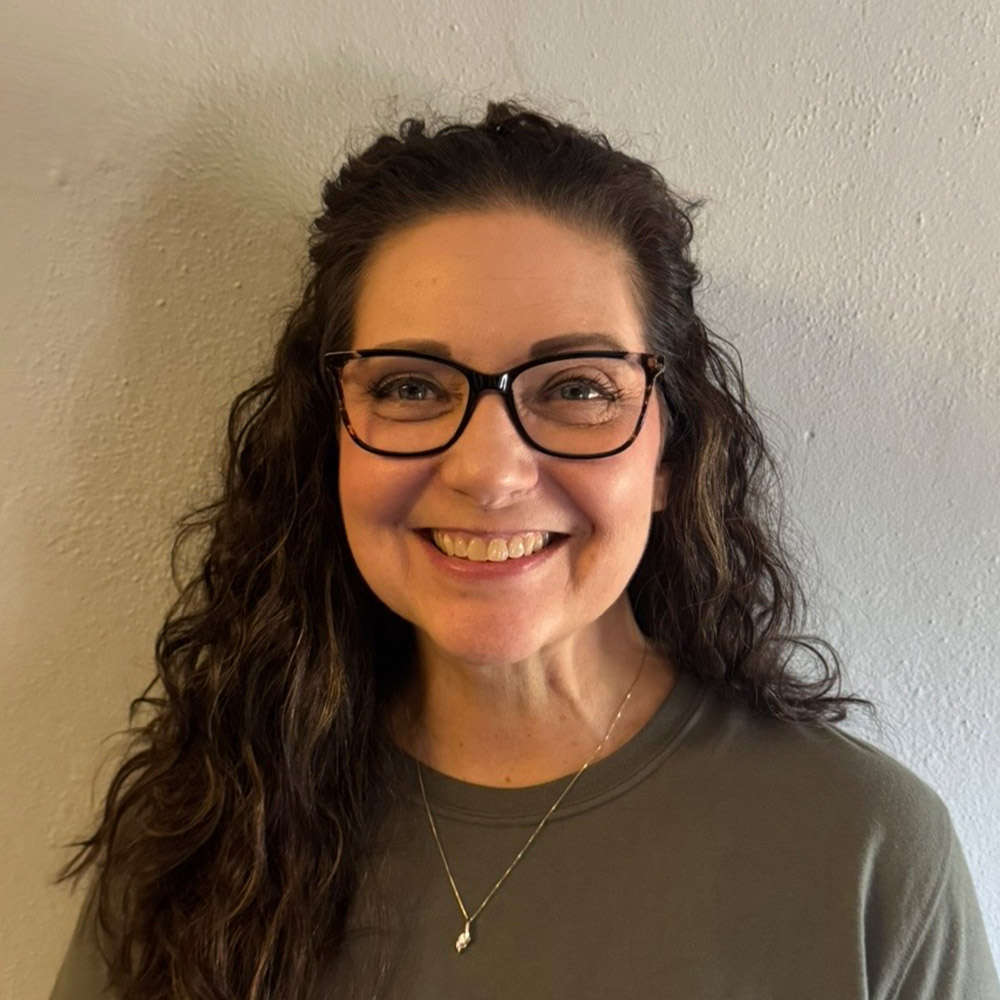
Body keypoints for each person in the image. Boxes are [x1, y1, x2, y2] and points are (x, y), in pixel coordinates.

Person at [50, 101, 999, 1000]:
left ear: (671, 452)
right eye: (411, 387)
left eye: (577, 388)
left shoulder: (866, 854)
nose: (490, 473)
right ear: (327, 440)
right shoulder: (200, 827)